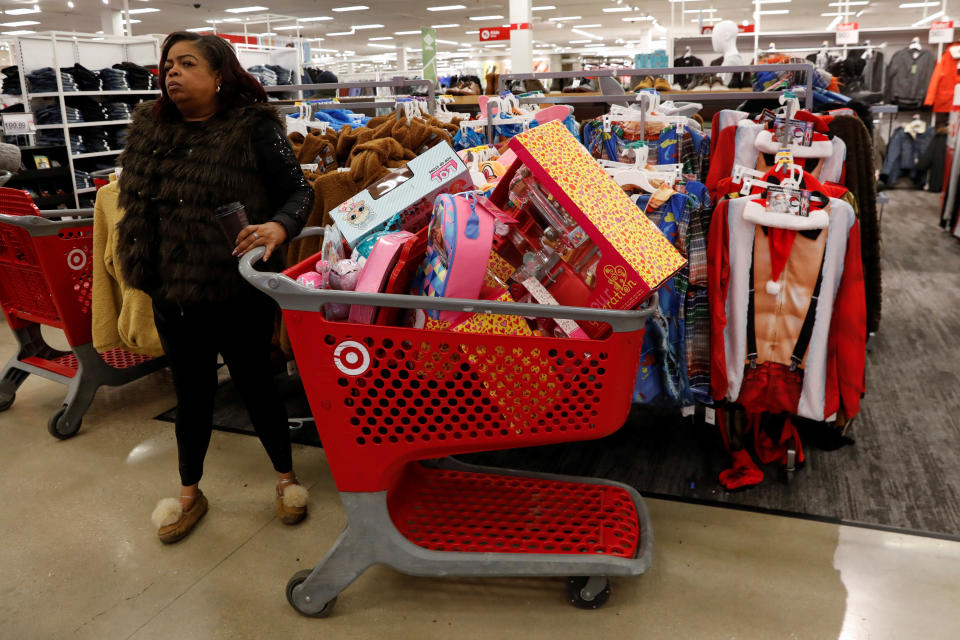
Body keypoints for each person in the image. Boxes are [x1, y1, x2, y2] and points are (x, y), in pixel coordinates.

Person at [116, 32, 314, 544]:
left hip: (235, 286)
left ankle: (286, 478)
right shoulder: (150, 132)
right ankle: (188, 491)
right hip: (171, 291)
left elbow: (299, 189)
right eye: (167, 64)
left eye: (186, 63)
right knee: (192, 392)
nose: (171, 72)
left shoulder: (251, 130)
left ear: (219, 74)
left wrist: (279, 226)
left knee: (254, 383)